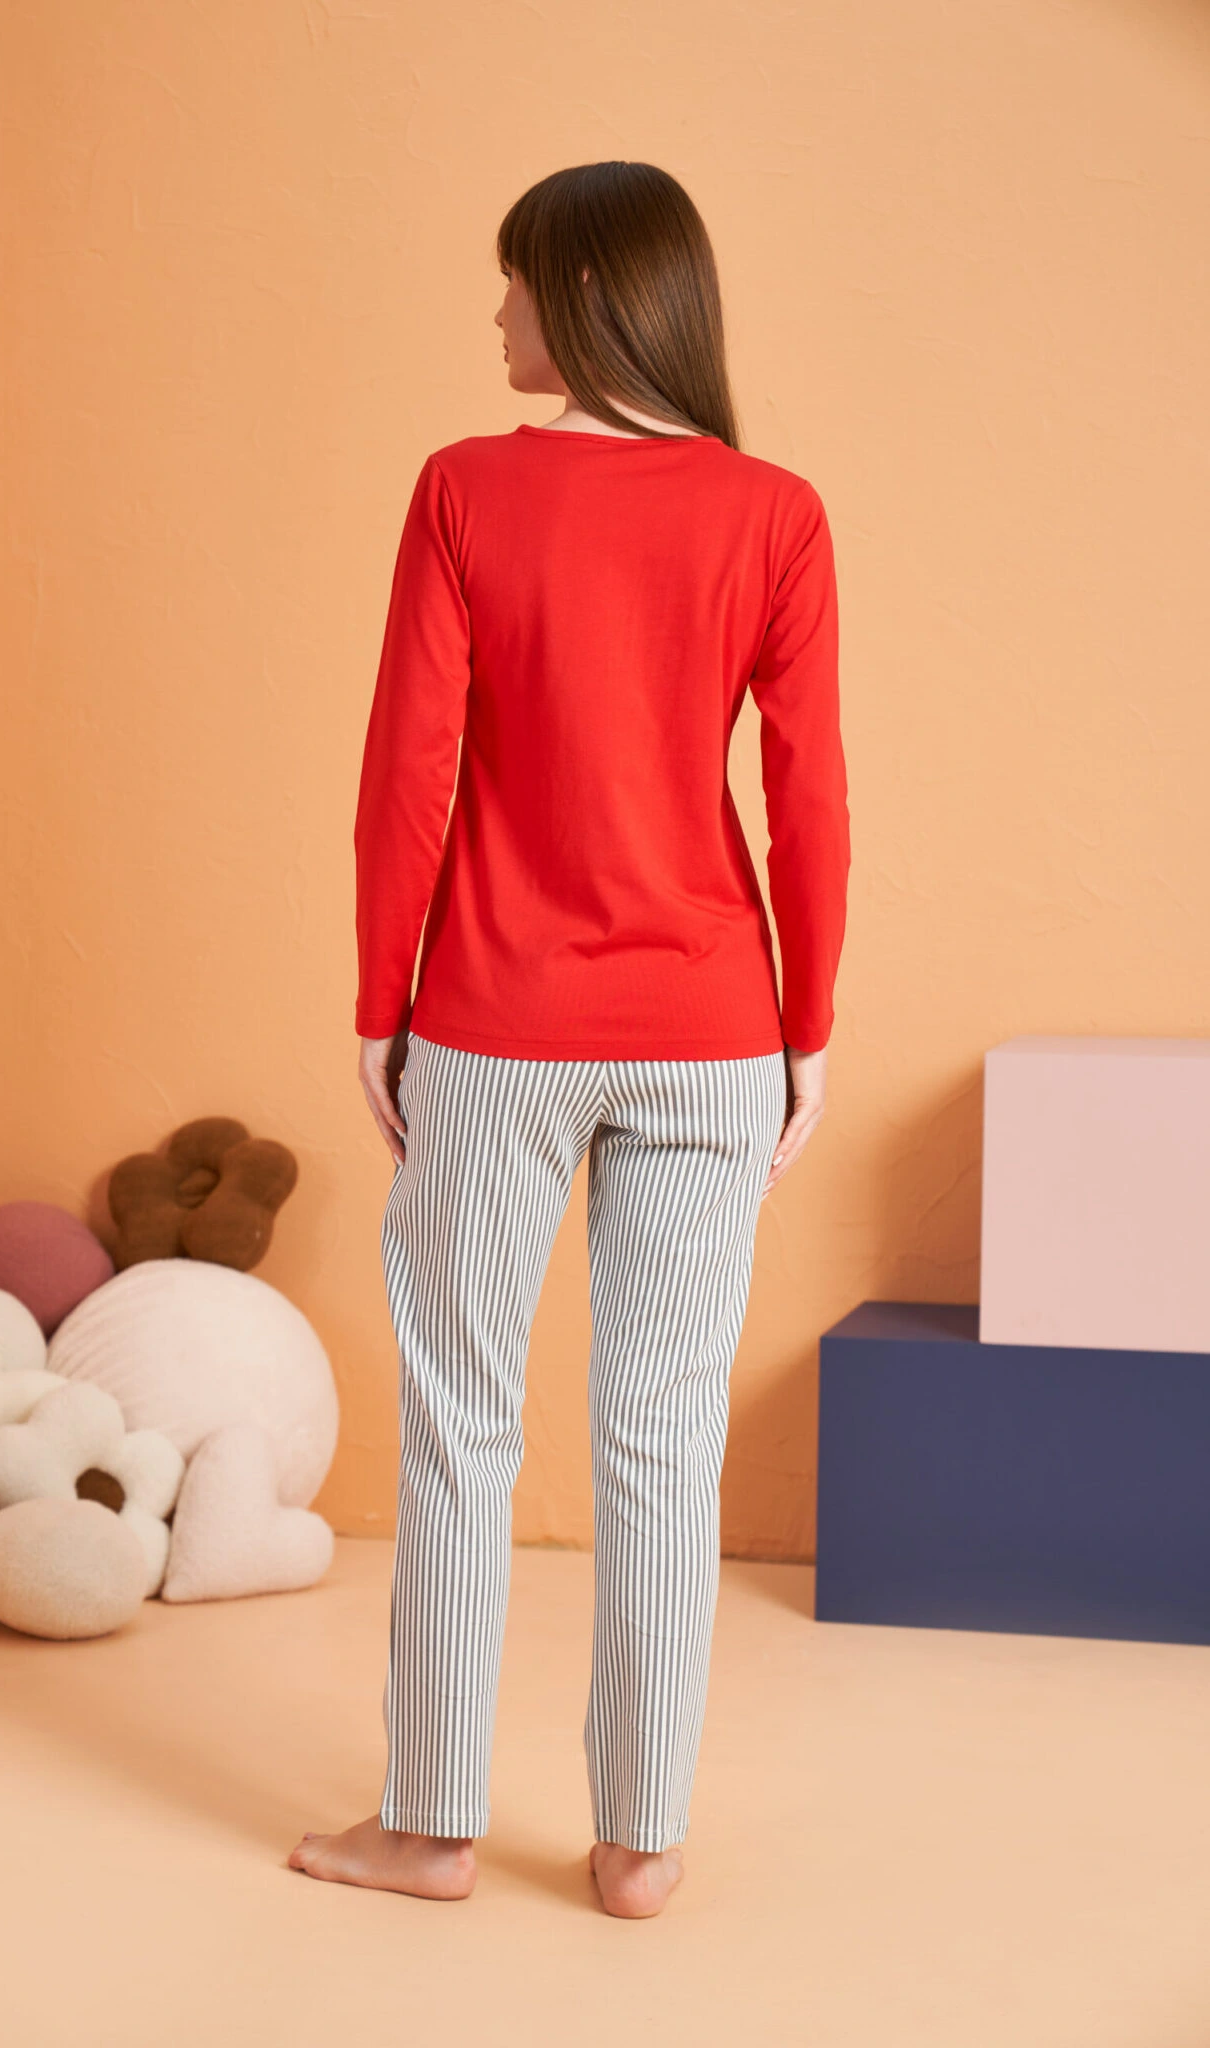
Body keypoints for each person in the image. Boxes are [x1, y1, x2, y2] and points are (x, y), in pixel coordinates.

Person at [289, 160, 850, 1918]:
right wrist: (805, 1022)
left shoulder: (466, 489)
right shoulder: (775, 513)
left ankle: (430, 1827)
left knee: (460, 1420)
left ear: (588, 294)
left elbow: (406, 772)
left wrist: (379, 1003)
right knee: (662, 1439)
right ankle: (639, 1847)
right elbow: (808, 798)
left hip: (496, 1022)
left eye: (516, 283)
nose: (497, 314)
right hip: (711, 1029)